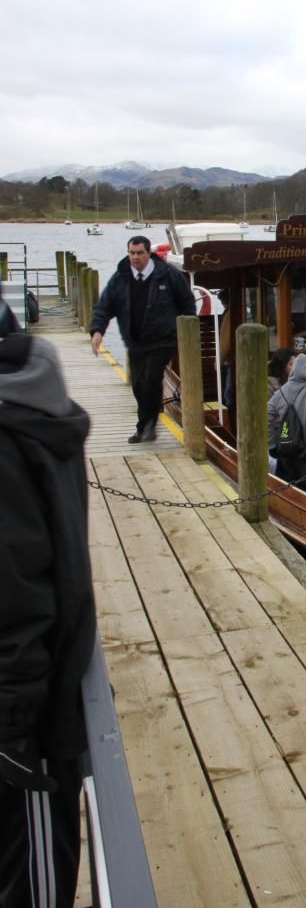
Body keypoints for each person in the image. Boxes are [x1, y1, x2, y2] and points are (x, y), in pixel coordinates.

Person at [0, 332, 96, 907]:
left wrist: (11, 725)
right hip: (32, 700)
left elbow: (17, 589)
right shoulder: (38, 415)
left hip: (24, 727)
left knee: (29, 883)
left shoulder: (10, 438)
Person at [89, 235, 196, 443]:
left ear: (149, 253)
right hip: (135, 341)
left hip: (163, 339)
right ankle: (145, 426)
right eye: (132, 253)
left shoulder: (168, 274)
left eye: (140, 253)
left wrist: (186, 332)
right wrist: (97, 330)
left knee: (151, 380)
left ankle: (147, 426)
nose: (135, 257)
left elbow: (187, 302)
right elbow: (105, 304)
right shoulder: (121, 276)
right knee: (138, 385)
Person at [268, 352, 306, 494]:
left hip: (284, 450)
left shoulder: (282, 390)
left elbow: (266, 414)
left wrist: (272, 444)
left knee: (287, 491)